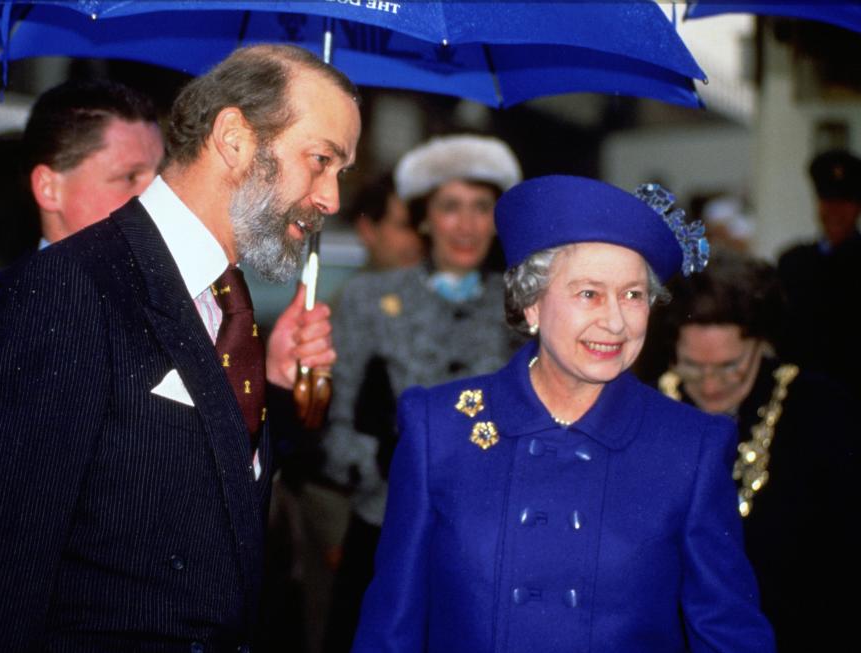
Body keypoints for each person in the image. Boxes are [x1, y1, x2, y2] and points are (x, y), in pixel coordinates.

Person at [0, 44, 360, 651]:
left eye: (339, 172)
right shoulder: (72, 291)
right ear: (234, 138)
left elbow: (190, 491)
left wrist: (280, 390)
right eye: (320, 160)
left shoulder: (224, 303)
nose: (331, 198)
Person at [352, 175, 775, 652]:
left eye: (633, 295)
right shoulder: (440, 428)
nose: (615, 321)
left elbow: (730, 635)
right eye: (589, 293)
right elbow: (391, 629)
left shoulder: (689, 446)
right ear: (531, 303)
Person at [0, 78, 163, 624]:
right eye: (128, 179)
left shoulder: (174, 311)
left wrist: (279, 387)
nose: (154, 204)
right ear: (49, 189)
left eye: (158, 181)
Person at [321, 134, 524, 653]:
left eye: (482, 208)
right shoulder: (369, 299)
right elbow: (334, 426)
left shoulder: (521, 308)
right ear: (424, 218)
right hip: (385, 527)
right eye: (450, 207)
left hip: (487, 538)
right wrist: (384, 466)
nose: (467, 224)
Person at [652, 248, 857, 652]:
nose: (710, 386)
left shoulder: (823, 411)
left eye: (730, 367)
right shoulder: (650, 410)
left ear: (761, 346)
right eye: (692, 366)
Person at [777, 148, 861, 398]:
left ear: (857, 206)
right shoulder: (793, 263)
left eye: (844, 201)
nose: (835, 211)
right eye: (828, 200)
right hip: (805, 397)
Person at [349, 173, 424, 270]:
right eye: (404, 226)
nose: (416, 238)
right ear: (367, 230)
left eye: (422, 225)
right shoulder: (359, 285)